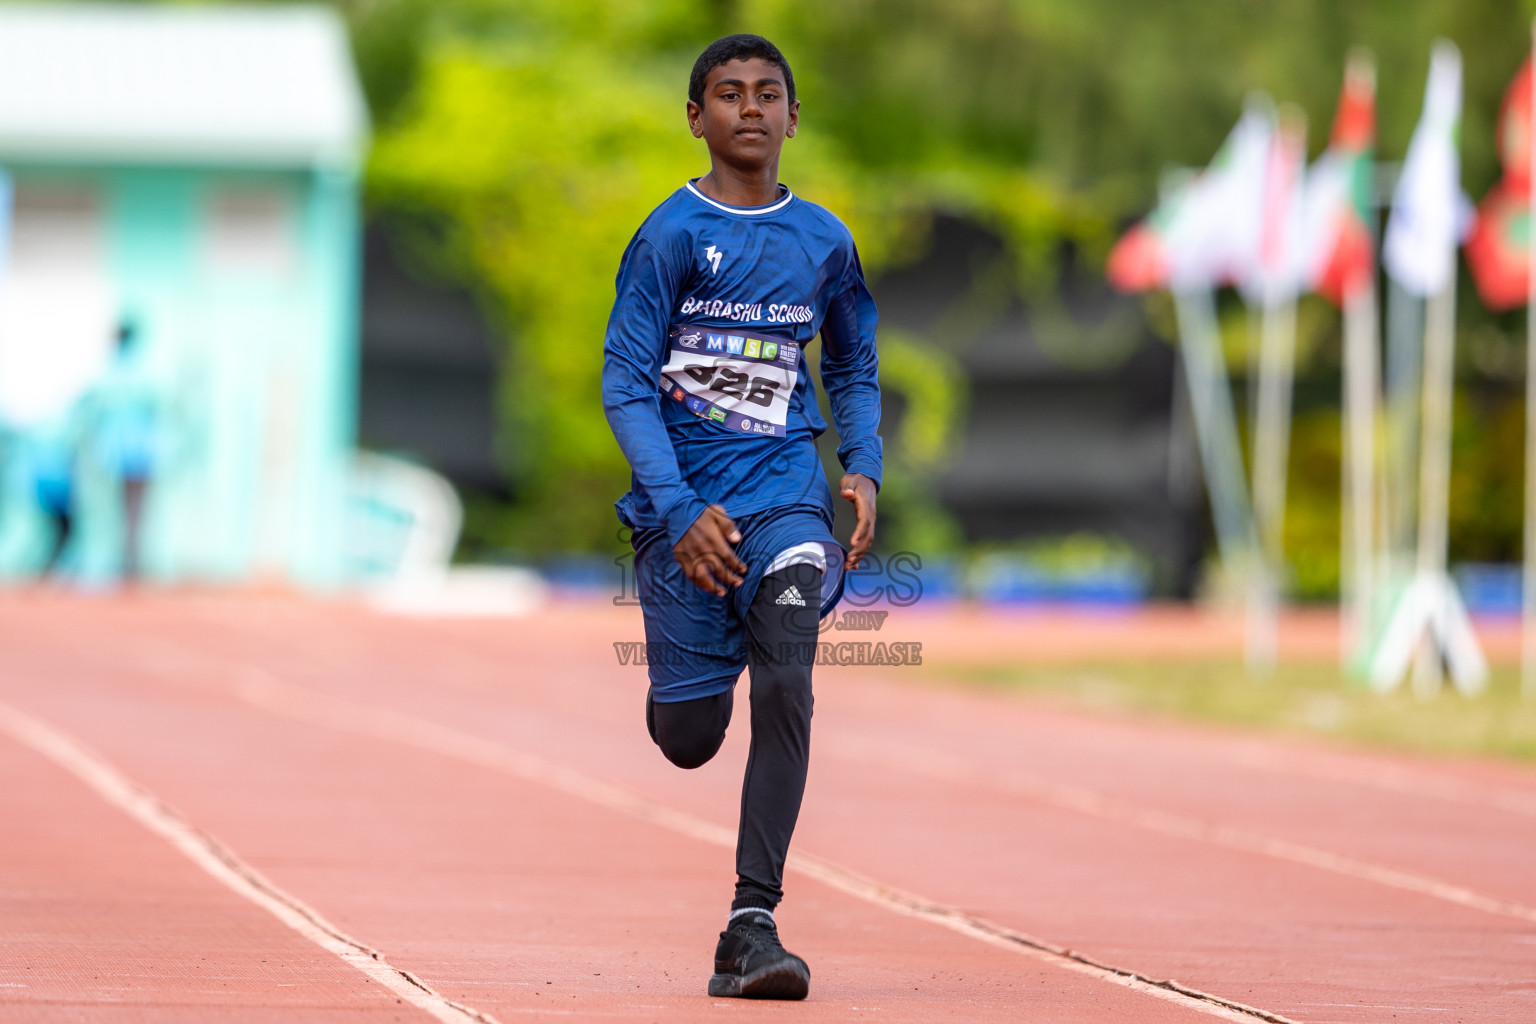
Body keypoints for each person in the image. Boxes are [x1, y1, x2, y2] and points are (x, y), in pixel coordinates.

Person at [602, 33, 882, 1001]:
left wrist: (864, 466)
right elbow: (626, 383)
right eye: (729, 93)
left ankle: (750, 922)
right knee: (688, 737)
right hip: (683, 513)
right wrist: (678, 508)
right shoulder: (670, 236)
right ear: (698, 117)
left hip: (787, 499)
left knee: (792, 678)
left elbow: (850, 359)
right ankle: (689, 678)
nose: (751, 108)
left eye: (769, 94)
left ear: (793, 117)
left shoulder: (825, 242)